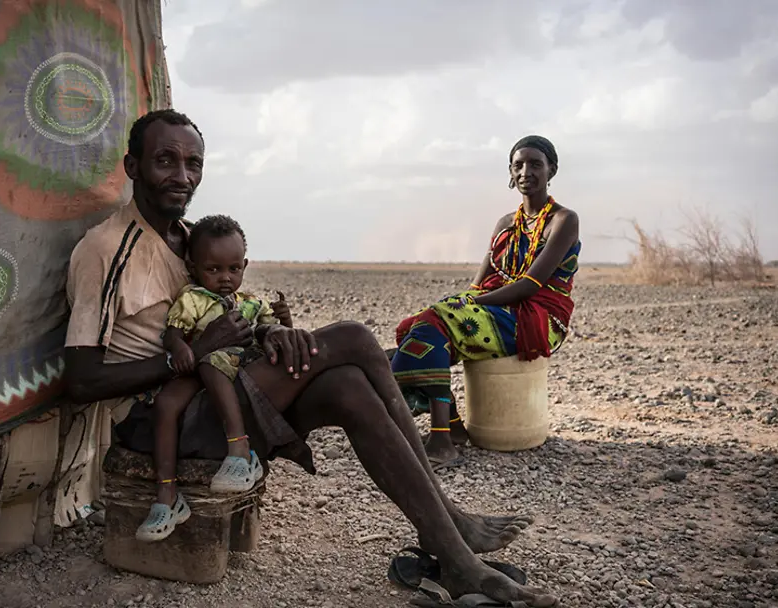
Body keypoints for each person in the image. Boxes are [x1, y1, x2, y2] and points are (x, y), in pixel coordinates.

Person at [64, 109, 557, 607]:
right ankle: (453, 536)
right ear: (131, 166)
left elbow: (225, 313)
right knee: (355, 338)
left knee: (347, 386)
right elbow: (80, 381)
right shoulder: (105, 251)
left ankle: (447, 543)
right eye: (165, 161)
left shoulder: (189, 240)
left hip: (218, 394)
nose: (182, 176)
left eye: (193, 162)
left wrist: (272, 334)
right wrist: (191, 355)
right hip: (163, 420)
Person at [391, 135, 580, 468]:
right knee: (419, 324)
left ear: (552, 170)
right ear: (510, 172)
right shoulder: (505, 223)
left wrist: (470, 306)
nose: (526, 171)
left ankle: (442, 440)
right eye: (518, 165)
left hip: (538, 315)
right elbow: (477, 285)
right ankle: (450, 428)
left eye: (536, 164)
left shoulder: (564, 220)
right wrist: (461, 303)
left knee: (437, 322)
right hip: (499, 306)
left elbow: (529, 285)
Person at [137, 214, 293, 542]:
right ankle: (167, 495)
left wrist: (283, 320)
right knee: (166, 403)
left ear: (245, 265)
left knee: (214, 361)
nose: (225, 278)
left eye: (233, 269)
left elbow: (274, 334)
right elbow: (173, 333)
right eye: (213, 269)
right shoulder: (191, 299)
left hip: (235, 370)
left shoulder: (251, 304)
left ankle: (240, 451)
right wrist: (179, 347)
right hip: (196, 367)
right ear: (193, 267)